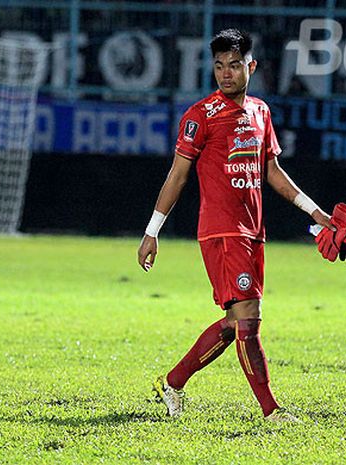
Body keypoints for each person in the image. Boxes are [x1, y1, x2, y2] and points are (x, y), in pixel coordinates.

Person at [138, 28, 333, 422]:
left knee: (233, 323)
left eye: (234, 65)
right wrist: (151, 231)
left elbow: (273, 172)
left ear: (251, 66)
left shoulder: (260, 112)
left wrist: (317, 214)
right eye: (219, 66)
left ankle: (172, 383)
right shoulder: (199, 116)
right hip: (222, 231)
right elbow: (177, 176)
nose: (226, 73)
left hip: (253, 232)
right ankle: (271, 410)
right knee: (249, 319)